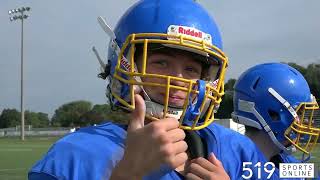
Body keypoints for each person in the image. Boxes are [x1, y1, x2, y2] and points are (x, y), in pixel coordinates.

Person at [28, 0, 277, 179]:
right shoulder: (75, 155)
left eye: (191, 69)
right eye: (161, 63)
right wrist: (127, 175)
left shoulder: (238, 150)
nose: (178, 79)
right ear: (124, 65)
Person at [232, 62, 320, 178]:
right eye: (300, 113)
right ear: (272, 114)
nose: (309, 122)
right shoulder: (229, 168)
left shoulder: (288, 164)